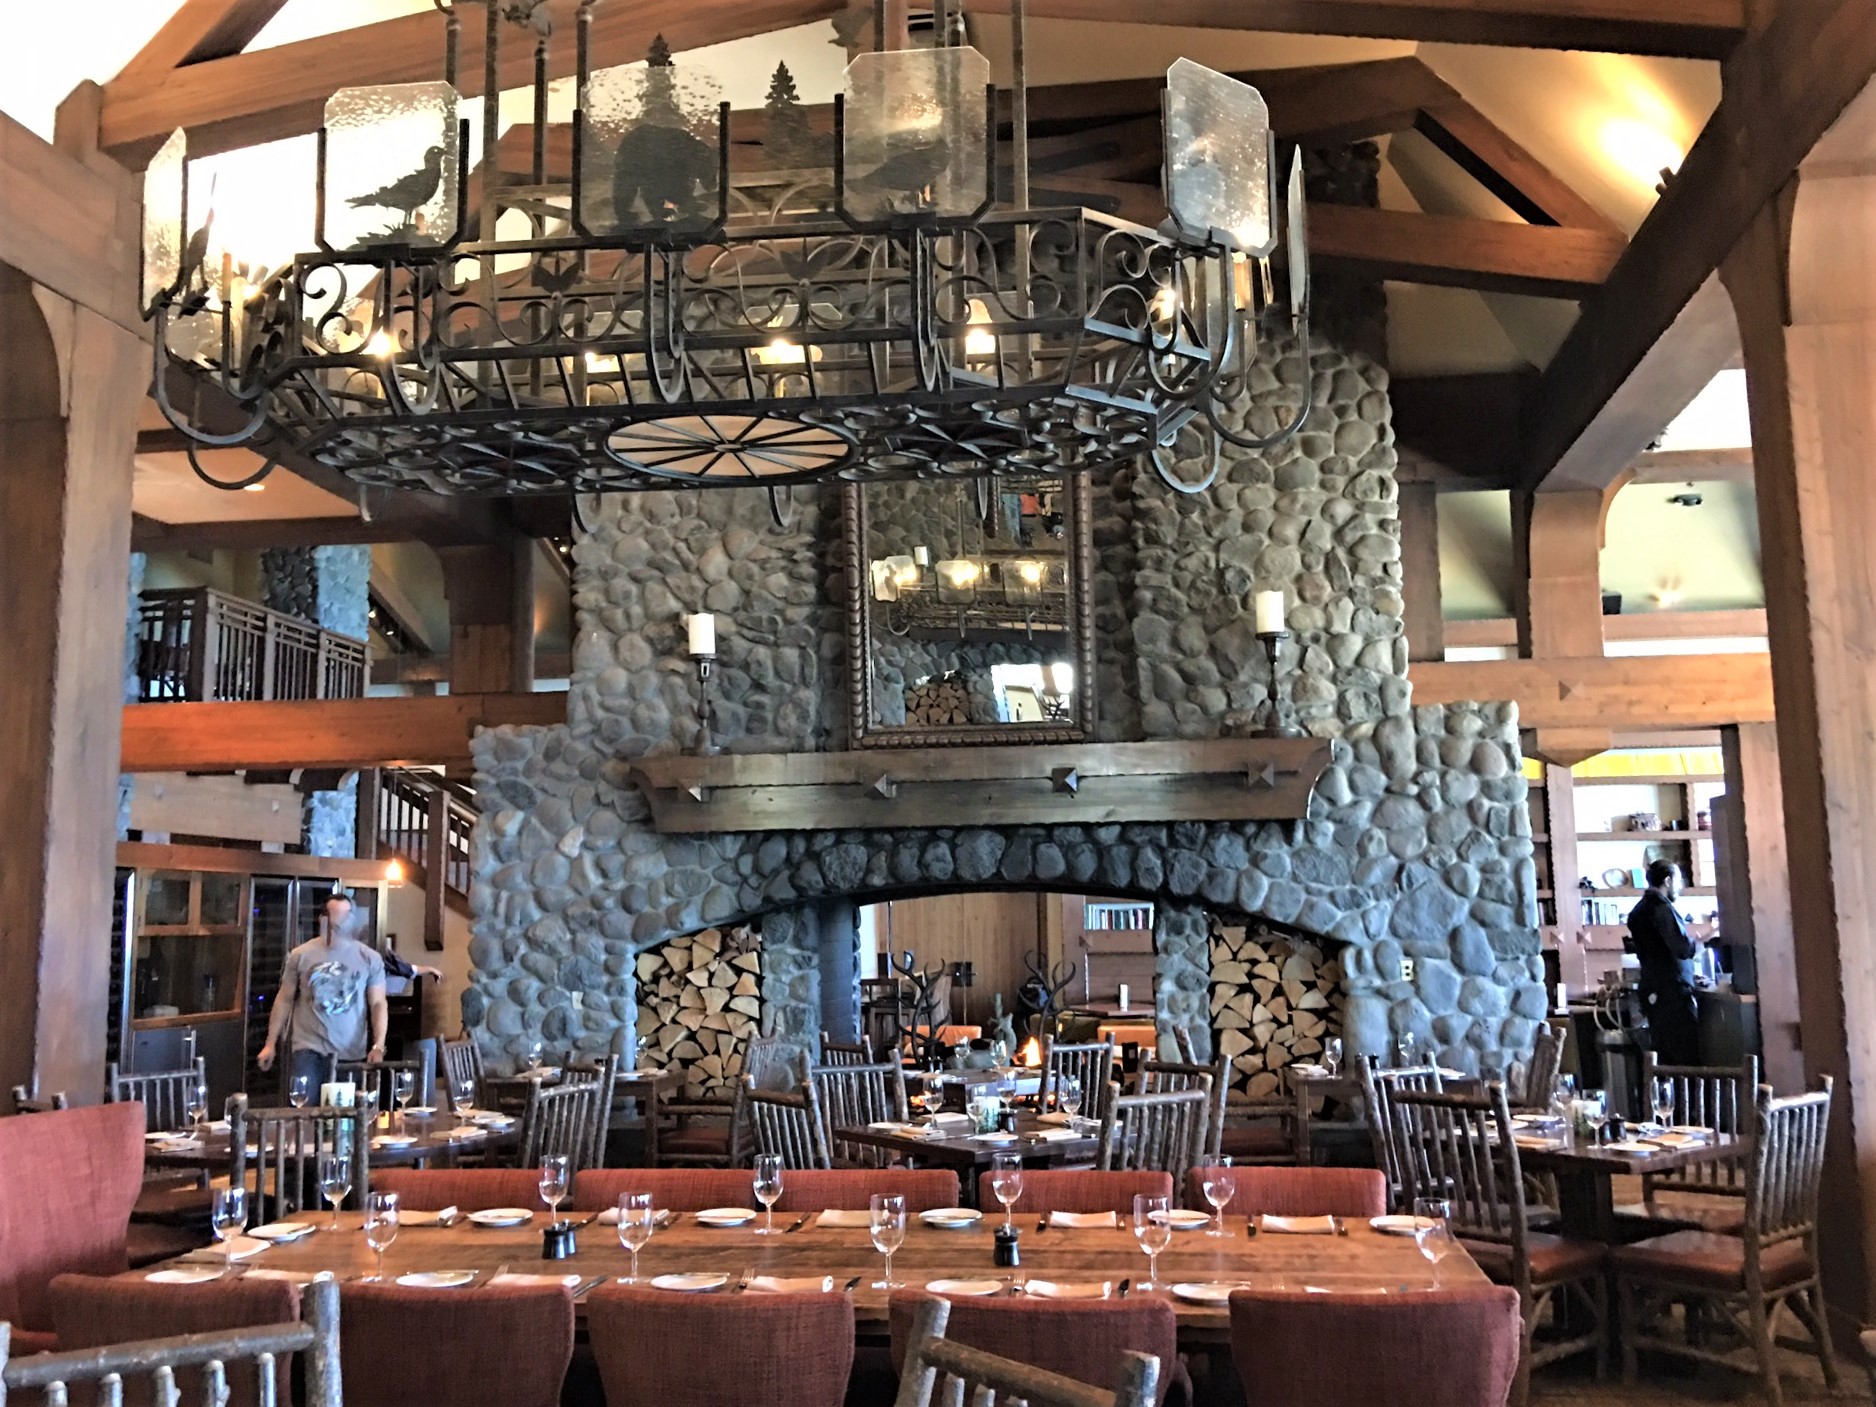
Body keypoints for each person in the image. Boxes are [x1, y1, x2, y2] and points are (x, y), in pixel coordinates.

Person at [257, 894, 389, 1092]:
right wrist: (270, 1044)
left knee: (343, 1110)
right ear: (323, 919)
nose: (340, 923)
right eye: (335, 915)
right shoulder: (300, 955)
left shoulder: (369, 958)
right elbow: (284, 999)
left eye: (345, 916)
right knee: (303, 1106)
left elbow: (378, 1003)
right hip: (308, 1049)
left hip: (349, 1053)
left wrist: (378, 1045)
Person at [1626, 859, 1702, 1065]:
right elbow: (1682, 948)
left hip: (1653, 989)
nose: (1680, 886)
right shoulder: (1661, 909)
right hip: (1672, 993)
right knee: (1686, 1058)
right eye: (1678, 880)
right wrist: (1701, 943)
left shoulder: (1638, 911)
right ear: (1668, 881)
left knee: (1665, 1058)